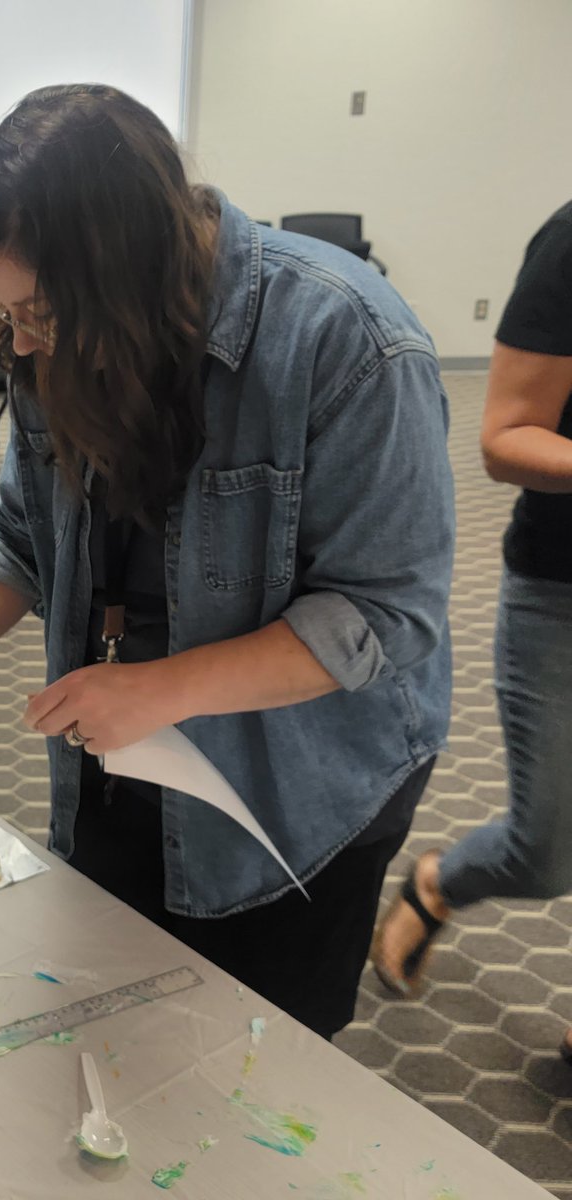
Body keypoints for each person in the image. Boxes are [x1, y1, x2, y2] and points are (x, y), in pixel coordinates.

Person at [0, 84, 455, 1040]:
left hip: (293, 795)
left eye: (42, 311)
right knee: (119, 1034)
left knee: (260, 1060)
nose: (28, 343)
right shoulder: (54, 340)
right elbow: (22, 530)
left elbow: (385, 616)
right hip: (128, 747)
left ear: (129, 268)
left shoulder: (349, 342)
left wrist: (168, 686)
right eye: (12, 315)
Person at [372, 202, 572, 1061]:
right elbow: (503, 439)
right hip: (562, 590)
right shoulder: (570, 244)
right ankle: (435, 883)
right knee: (548, 850)